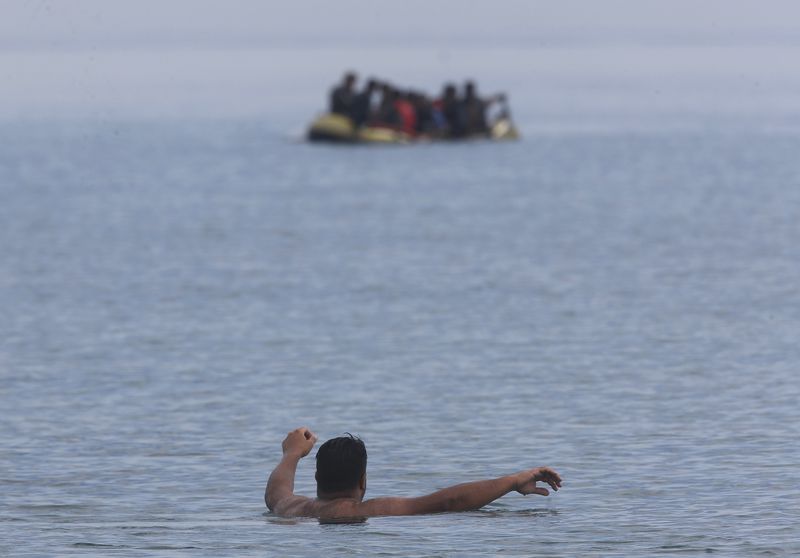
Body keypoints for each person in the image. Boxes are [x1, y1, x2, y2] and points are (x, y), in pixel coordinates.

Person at [265, 427, 563, 521]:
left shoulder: (293, 508)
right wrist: (512, 481)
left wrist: (292, 453)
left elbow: (276, 493)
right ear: (362, 481)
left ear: (317, 479)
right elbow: (449, 501)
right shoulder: (363, 510)